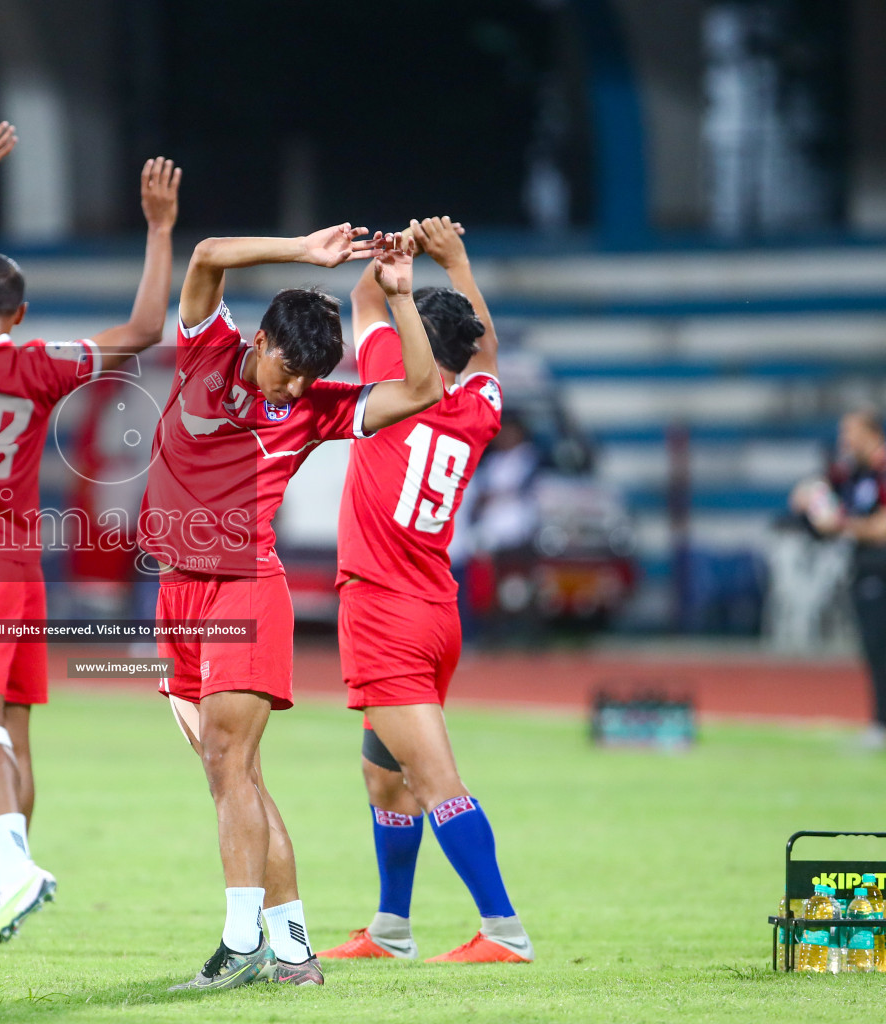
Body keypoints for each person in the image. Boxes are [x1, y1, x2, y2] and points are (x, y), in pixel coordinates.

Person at [0, 122, 182, 945]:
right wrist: (159, 228)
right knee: (15, 723)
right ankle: (1, 889)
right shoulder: (43, 361)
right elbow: (142, 331)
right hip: (18, 564)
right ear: (20, 314)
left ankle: (13, 863)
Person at [141, 228, 441, 990]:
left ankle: (243, 945)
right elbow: (206, 254)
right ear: (261, 339)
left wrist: (401, 298)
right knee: (235, 780)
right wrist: (303, 251)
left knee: (229, 765)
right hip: (176, 594)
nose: (295, 389)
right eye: (288, 369)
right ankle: (295, 950)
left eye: (311, 377)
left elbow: (423, 391)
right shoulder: (207, 347)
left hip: (244, 588)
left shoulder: (315, 408)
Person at [320, 215, 533, 965]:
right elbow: (489, 347)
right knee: (385, 777)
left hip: (384, 611)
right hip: (433, 609)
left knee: (437, 782)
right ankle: (391, 928)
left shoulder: (390, 381)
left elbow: (366, 303)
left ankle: (504, 929)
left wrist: (388, 262)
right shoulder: (478, 409)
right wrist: (455, 257)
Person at [791, 407, 886, 749]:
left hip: (881, 567)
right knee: (874, 648)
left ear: (871, 432)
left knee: (881, 647)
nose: (845, 441)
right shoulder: (853, 471)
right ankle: (879, 723)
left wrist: (842, 525)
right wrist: (812, 497)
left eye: (851, 433)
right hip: (865, 567)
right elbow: (815, 488)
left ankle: (881, 725)